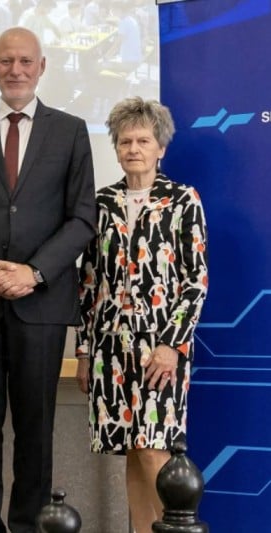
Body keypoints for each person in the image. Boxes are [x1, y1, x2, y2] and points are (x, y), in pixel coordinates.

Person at [0, 27, 96, 533]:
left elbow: (82, 219)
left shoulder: (71, 131)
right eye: (6, 60)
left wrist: (34, 271)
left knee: (36, 428)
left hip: (43, 302)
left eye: (26, 61)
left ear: (42, 67)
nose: (16, 70)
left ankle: (28, 527)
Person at [75, 97, 208, 533]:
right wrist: (83, 351)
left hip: (161, 348)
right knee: (132, 450)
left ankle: (176, 528)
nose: (134, 148)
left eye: (143, 140)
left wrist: (173, 344)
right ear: (115, 148)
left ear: (160, 148)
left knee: (154, 448)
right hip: (109, 348)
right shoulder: (101, 203)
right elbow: (89, 281)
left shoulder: (182, 201)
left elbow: (195, 280)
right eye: (126, 141)